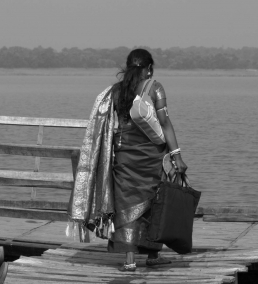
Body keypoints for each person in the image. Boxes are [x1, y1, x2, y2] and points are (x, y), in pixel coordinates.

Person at [68, 49, 187, 271]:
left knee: (126, 205)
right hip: (152, 157)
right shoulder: (155, 88)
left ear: (128, 67)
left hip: (123, 157)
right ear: (149, 68)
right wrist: (176, 155)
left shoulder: (115, 92)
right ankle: (152, 256)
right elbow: (165, 123)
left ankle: (130, 260)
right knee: (155, 203)